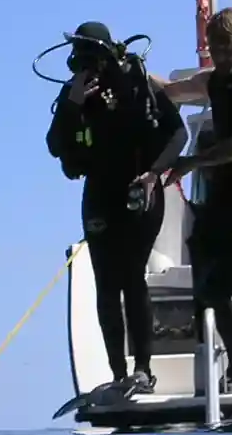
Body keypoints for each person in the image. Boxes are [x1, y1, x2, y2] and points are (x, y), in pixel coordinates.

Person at [45, 21, 185, 398]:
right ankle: (118, 372)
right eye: (81, 56)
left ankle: (143, 370)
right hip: (99, 193)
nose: (87, 64)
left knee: (132, 276)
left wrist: (155, 175)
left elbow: (179, 132)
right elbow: (56, 146)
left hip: (141, 190)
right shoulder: (74, 94)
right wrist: (73, 103)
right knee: (107, 284)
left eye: (93, 55)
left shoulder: (138, 83)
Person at [155, 7, 232, 393]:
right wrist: (131, 72)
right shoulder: (212, 80)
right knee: (210, 287)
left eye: (228, 47)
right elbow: (171, 91)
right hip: (222, 193)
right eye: (214, 47)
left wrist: (192, 161)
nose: (221, 55)